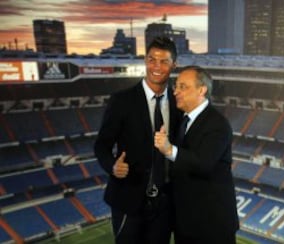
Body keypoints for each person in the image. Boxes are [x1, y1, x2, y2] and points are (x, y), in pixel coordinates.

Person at [94, 36, 182, 244]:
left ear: (174, 65)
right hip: (129, 199)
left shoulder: (178, 102)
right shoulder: (122, 100)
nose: (156, 67)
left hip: (165, 202)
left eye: (164, 61)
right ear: (145, 60)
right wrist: (112, 167)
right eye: (152, 60)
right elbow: (101, 145)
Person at [155, 65, 239, 244]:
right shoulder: (184, 121)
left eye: (183, 87)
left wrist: (169, 150)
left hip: (211, 227)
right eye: (176, 86)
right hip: (186, 224)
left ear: (202, 90)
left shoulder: (218, 124)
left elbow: (203, 164)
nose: (176, 91)